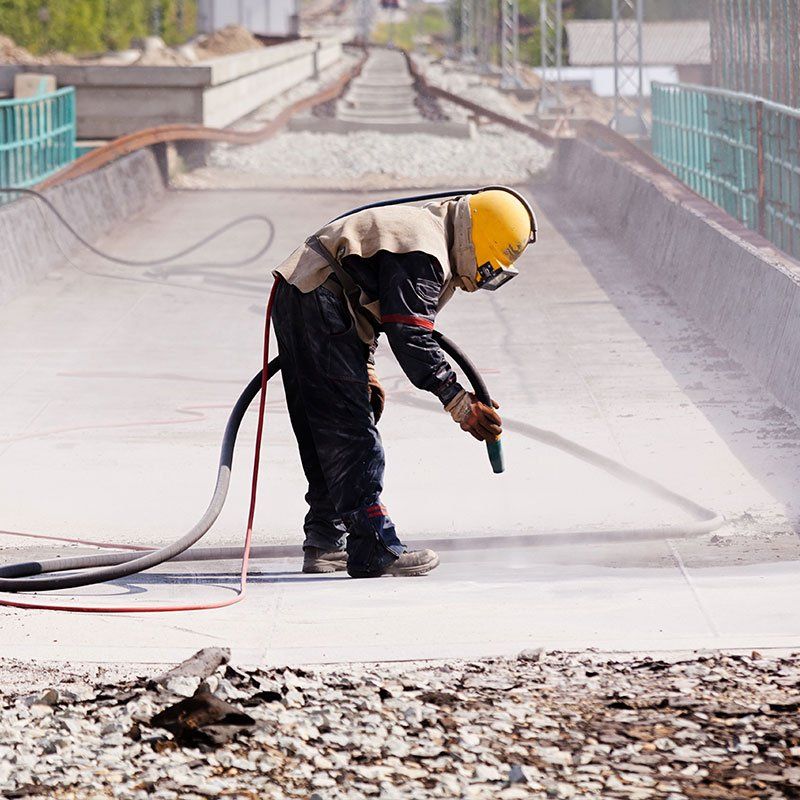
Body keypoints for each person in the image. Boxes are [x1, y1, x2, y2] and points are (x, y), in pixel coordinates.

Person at [271, 187, 537, 578]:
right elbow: (411, 338)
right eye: (487, 268)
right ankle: (375, 547)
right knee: (352, 436)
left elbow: (370, 296)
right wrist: (459, 402)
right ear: (479, 241)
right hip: (321, 304)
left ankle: (326, 541)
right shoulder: (424, 252)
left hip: (305, 297)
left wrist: (366, 368)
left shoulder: (426, 234)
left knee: (327, 430)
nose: (479, 280)